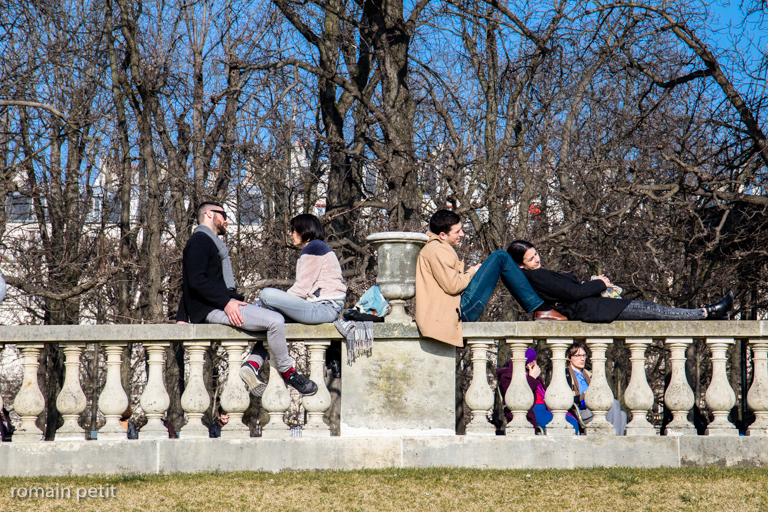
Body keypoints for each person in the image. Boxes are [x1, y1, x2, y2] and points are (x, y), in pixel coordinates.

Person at [178, 201, 317, 398]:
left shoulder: (208, 242)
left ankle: (251, 365)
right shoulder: (200, 241)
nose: (226, 220)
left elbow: (188, 280)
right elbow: (195, 281)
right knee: (275, 321)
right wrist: (226, 303)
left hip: (220, 305)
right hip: (216, 308)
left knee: (276, 316)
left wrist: (181, 316)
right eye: (223, 214)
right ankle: (289, 373)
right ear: (209, 214)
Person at [415, 210, 555, 348]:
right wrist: (472, 272)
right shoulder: (438, 250)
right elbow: (453, 286)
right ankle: (541, 308)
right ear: (442, 235)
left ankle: (541, 305)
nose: (462, 234)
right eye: (457, 231)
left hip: (453, 310)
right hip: (456, 311)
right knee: (500, 257)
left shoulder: (435, 248)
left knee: (500, 259)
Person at [506, 239, 734, 322]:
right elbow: (573, 294)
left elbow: (567, 290)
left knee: (652, 309)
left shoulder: (535, 274)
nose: (537, 259)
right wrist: (600, 284)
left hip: (597, 308)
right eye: (531, 258)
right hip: (595, 309)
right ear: (520, 264)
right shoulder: (537, 275)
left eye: (536, 254)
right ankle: (708, 312)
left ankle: (713, 314)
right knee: (653, 309)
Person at [242, 214, 346, 384]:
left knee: (267, 294)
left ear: (304, 231)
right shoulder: (317, 247)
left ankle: (259, 308)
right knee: (273, 320)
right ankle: (253, 363)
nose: (290, 234)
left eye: (293, 230)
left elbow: (301, 289)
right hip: (321, 308)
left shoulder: (314, 248)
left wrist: (264, 305)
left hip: (322, 309)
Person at [497, 348, 580, 433]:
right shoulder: (507, 376)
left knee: (573, 421)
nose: (535, 364)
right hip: (531, 409)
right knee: (569, 425)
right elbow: (518, 397)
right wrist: (532, 378)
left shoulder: (534, 374)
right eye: (532, 361)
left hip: (546, 407)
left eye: (535, 360)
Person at [566, 341, 627, 435]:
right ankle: (613, 440)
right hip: (580, 411)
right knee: (614, 404)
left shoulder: (589, 375)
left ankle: (617, 441)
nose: (582, 359)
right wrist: (584, 397)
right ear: (568, 357)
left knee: (622, 414)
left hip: (594, 408)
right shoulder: (566, 375)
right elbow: (565, 400)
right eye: (577, 356)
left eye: (584, 355)